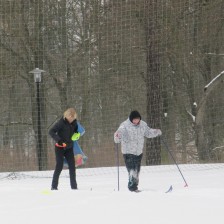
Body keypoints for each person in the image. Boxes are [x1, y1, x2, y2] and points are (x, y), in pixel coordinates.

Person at [114, 110, 162, 192]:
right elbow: (118, 134)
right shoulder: (124, 125)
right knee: (132, 170)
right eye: (135, 119)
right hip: (128, 152)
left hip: (138, 152)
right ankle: (132, 188)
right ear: (131, 119)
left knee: (137, 170)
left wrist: (156, 132)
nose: (136, 121)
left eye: (138, 119)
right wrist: (117, 136)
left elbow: (148, 132)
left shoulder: (143, 124)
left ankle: (134, 187)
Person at [49, 108, 80, 190]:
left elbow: (76, 130)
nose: (71, 120)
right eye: (70, 118)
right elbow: (51, 131)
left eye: (73, 118)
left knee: (72, 166)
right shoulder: (61, 123)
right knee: (59, 165)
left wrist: (77, 133)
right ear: (66, 116)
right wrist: (59, 140)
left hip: (69, 147)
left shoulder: (74, 123)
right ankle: (54, 186)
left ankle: (74, 187)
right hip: (60, 148)